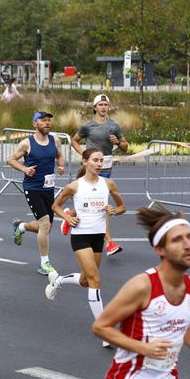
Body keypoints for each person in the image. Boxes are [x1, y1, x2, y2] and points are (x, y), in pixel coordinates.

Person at [92, 204, 190, 379]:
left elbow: (181, 323)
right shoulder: (142, 286)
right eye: (177, 240)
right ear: (160, 249)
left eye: (189, 236)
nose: (187, 244)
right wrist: (143, 348)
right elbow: (100, 327)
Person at [47, 148, 126, 346]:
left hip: (98, 237)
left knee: (85, 281)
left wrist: (114, 210)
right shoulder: (74, 186)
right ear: (85, 162)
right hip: (80, 237)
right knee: (95, 280)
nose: (99, 164)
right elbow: (55, 206)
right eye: (95, 160)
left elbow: (122, 207)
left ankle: (58, 280)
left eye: (101, 161)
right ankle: (103, 329)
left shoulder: (108, 184)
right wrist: (67, 217)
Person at [70, 94, 128, 257]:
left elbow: (125, 146)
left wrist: (117, 142)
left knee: (96, 202)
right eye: (100, 104)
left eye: (105, 104)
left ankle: (70, 216)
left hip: (106, 167)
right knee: (100, 204)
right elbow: (74, 140)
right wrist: (85, 156)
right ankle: (109, 243)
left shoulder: (113, 125)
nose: (103, 107)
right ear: (94, 107)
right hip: (90, 167)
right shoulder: (88, 126)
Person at [9, 110, 65, 275]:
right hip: (32, 188)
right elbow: (11, 160)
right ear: (35, 124)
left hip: (49, 188)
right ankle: (44, 263)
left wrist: (61, 165)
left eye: (49, 120)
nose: (47, 123)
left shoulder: (55, 140)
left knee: (46, 228)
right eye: (43, 120)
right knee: (45, 224)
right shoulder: (27, 143)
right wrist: (25, 169)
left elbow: (60, 156)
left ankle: (21, 226)